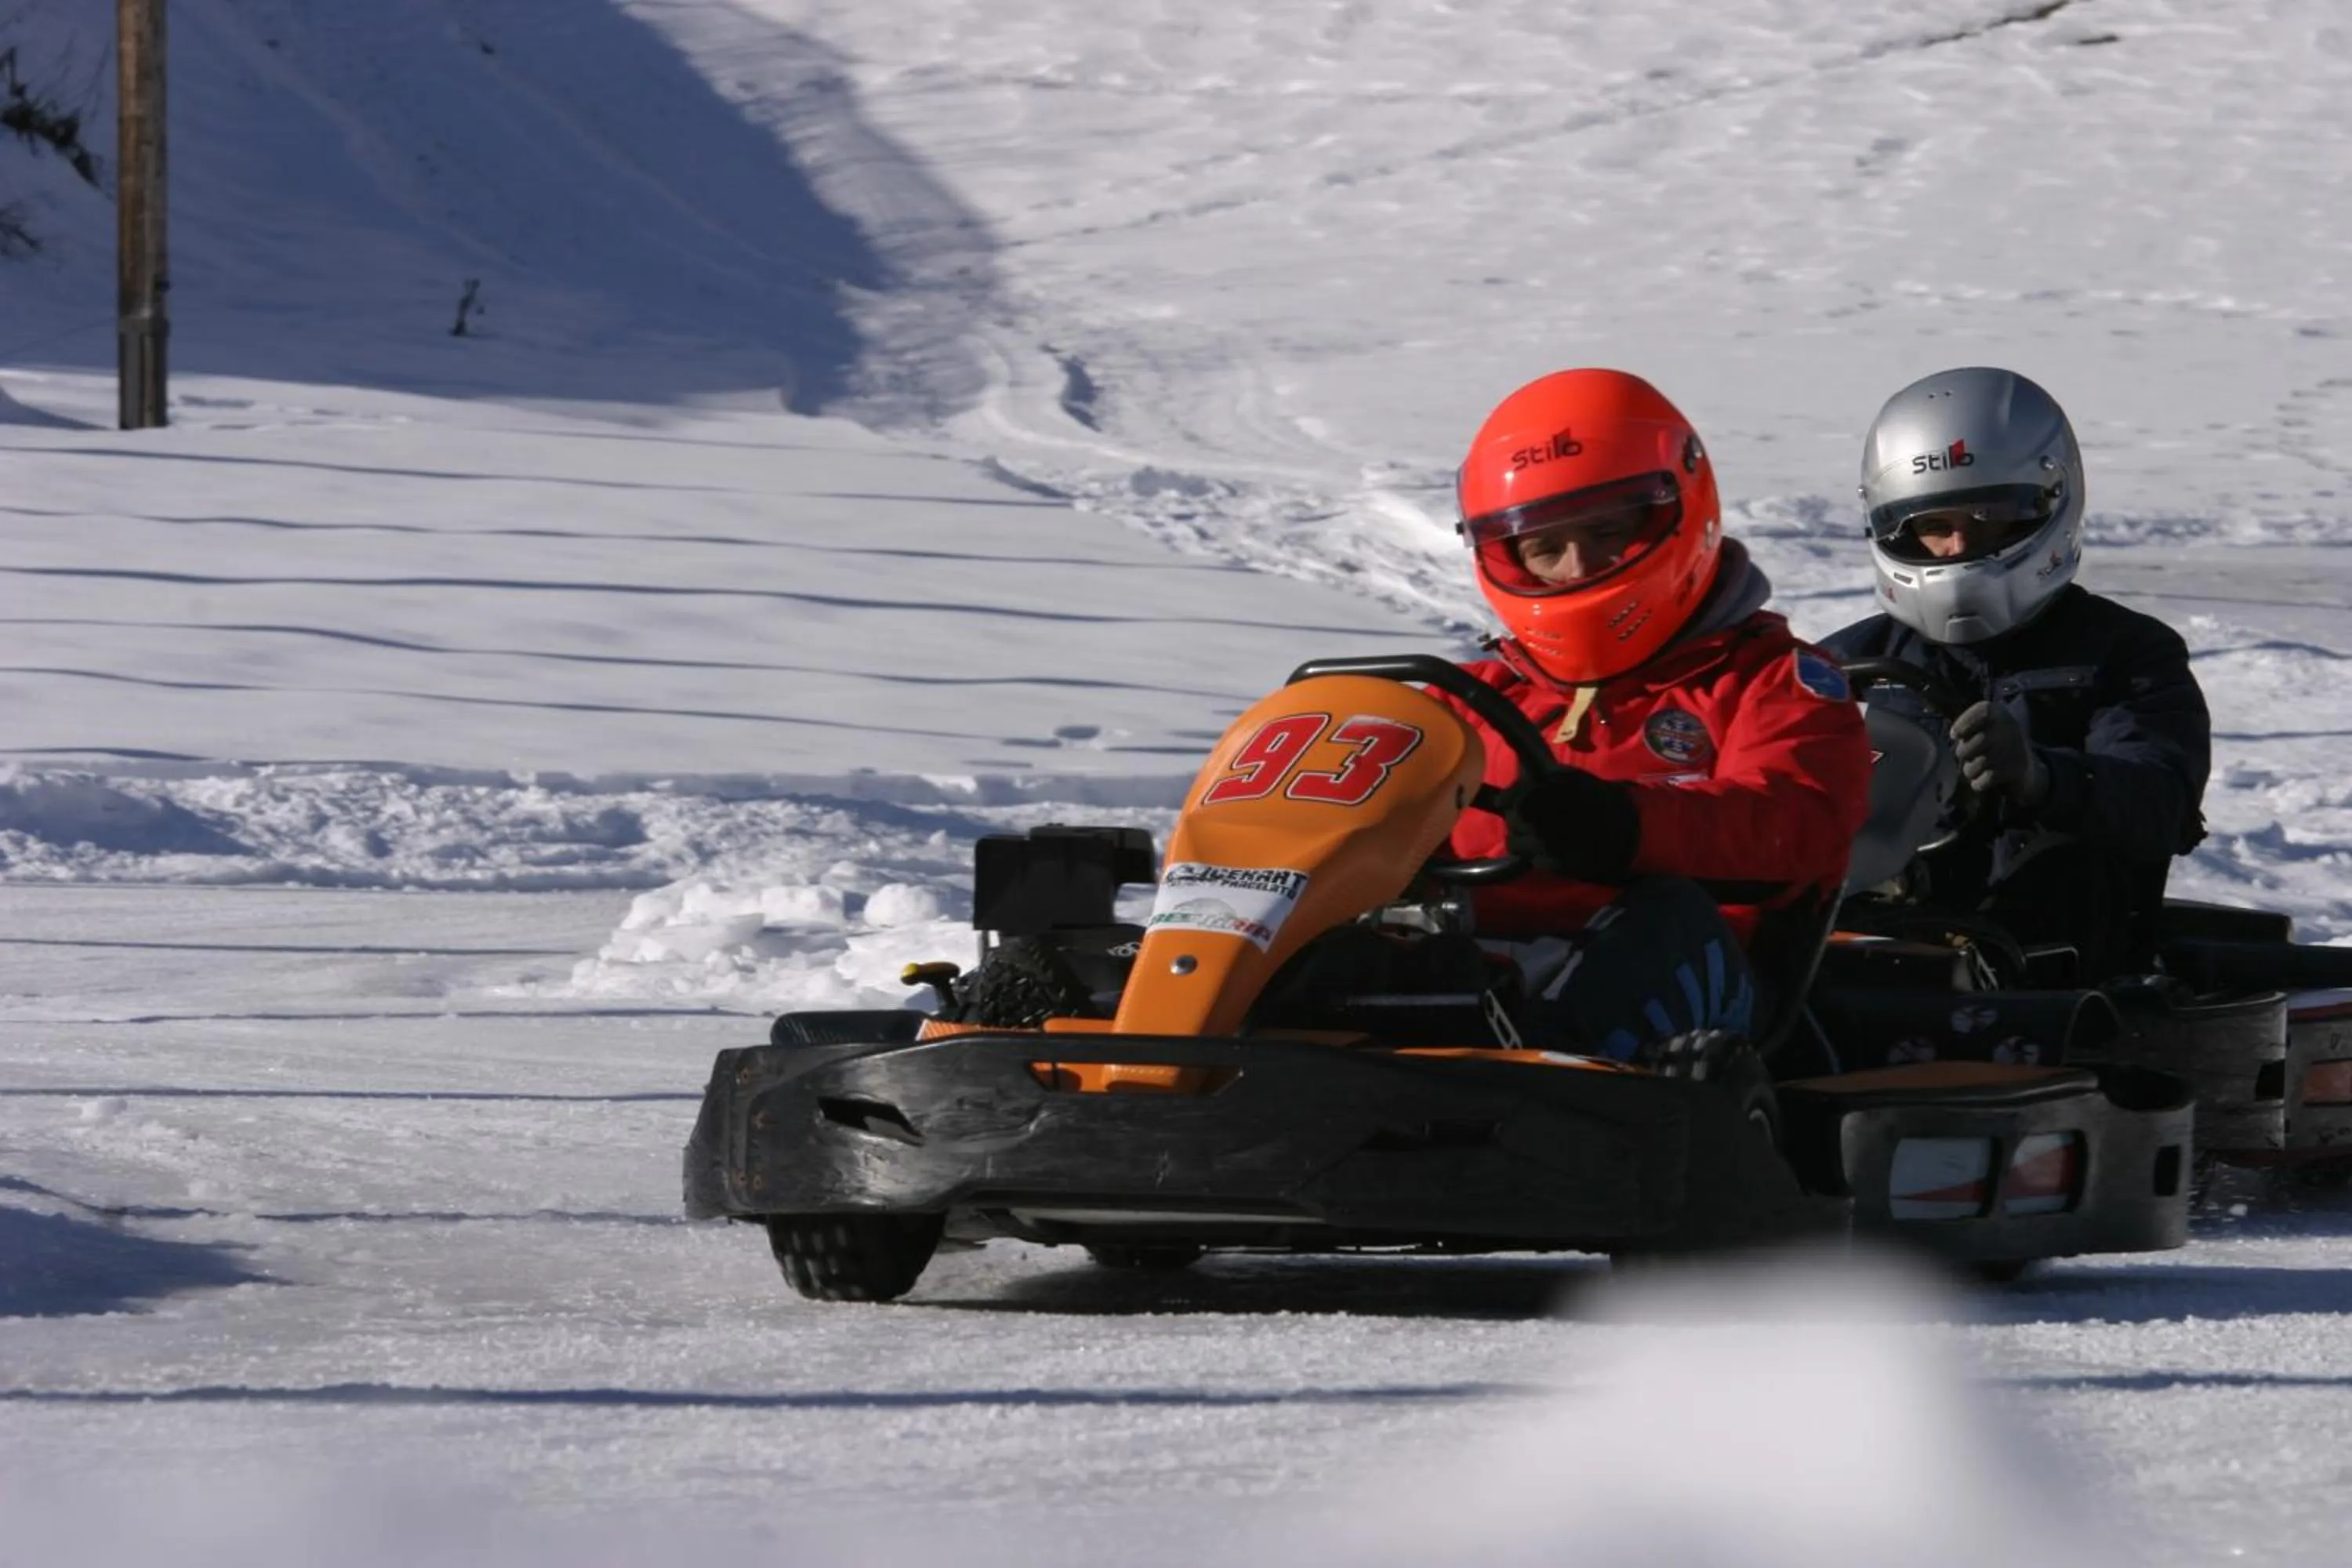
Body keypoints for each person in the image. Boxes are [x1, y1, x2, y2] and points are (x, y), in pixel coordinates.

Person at [1438, 367, 1875, 1066]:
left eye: (1608, 532)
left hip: (1697, 986)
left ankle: (1541, 1124)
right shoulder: (1462, 698)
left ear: (1679, 512)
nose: (1578, 566)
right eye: (1545, 548)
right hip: (1481, 980)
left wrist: (1627, 827)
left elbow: (1800, 822)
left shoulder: (1772, 681)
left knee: (1664, 918)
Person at [1820, 366, 2210, 982]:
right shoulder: (1841, 667)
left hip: (2061, 983)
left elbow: (2161, 800)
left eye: (1987, 518)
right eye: (1932, 526)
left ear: (2050, 503)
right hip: (1863, 966)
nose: (1955, 548)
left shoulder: (2128, 655)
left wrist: (2043, 777)